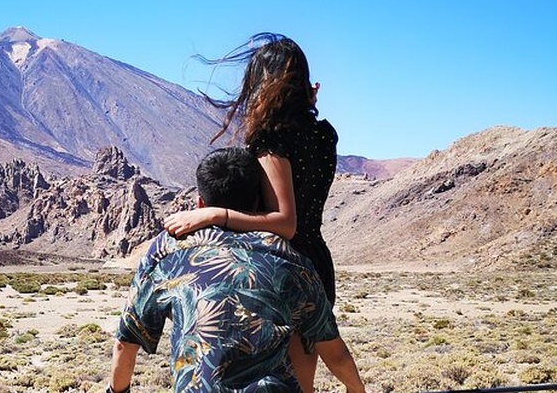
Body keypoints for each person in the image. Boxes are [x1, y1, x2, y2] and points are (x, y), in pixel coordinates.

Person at [163, 33, 339, 392]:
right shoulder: (323, 134)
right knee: (302, 383)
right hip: (317, 263)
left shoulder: (272, 140)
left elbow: (285, 222)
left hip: (280, 268)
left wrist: (213, 215)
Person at [108, 147, 365, 393]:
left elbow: (125, 344)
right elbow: (333, 349)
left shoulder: (168, 250)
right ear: (258, 202)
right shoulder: (288, 257)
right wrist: (356, 389)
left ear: (200, 204)